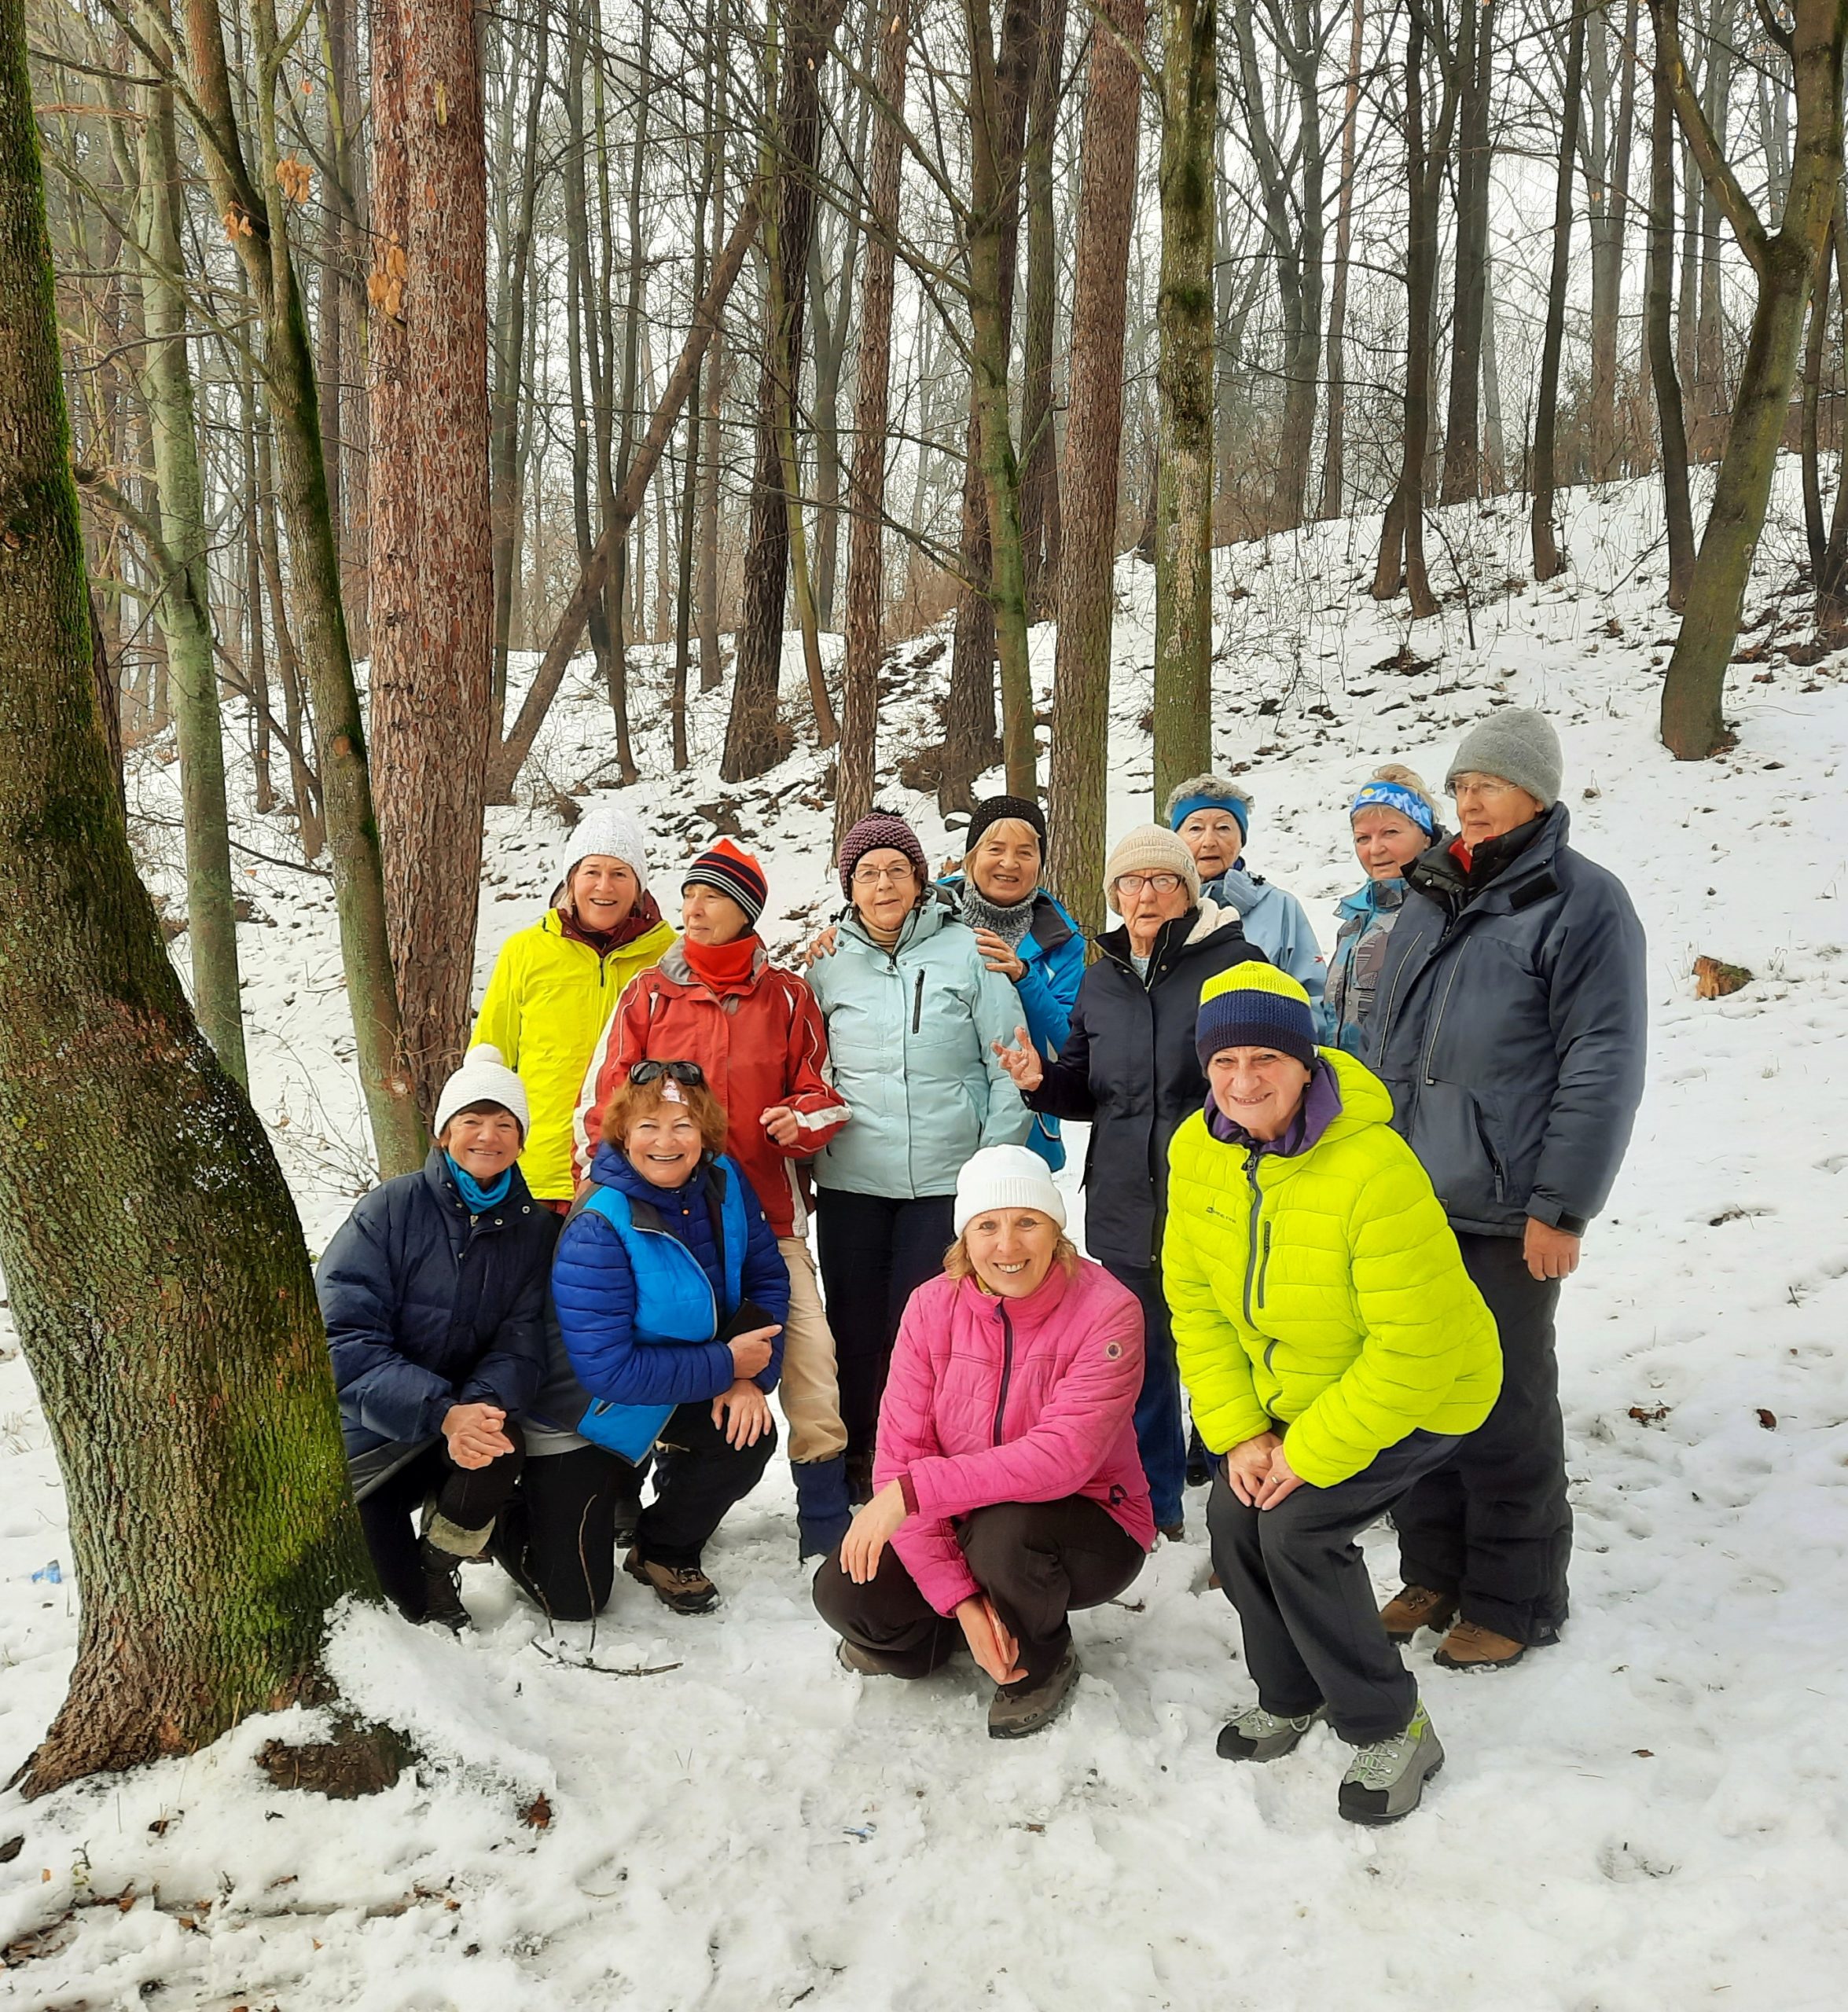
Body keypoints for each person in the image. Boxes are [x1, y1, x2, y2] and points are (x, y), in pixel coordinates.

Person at [1165, 963, 1501, 1823]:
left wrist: (1307, 1452)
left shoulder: (1373, 1168)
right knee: (1233, 1515)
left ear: (1304, 1061)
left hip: (1424, 1388)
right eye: (1224, 1061)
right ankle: (1290, 1691)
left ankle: (1390, 1724)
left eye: (1265, 1059)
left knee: (1298, 1526)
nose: (1244, 1081)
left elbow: (1413, 1350)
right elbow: (1195, 1305)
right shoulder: (1197, 1152)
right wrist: (1240, 1432)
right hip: (1294, 1391)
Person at [1369, 709, 1647, 1669]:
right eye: (1460, 785)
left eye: (1489, 783)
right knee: (1413, 1393)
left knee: (1502, 1407)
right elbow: (1385, 1049)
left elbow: (1601, 1060)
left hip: (1504, 1208)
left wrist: (1560, 1205)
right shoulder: (1428, 893)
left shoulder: (1581, 902)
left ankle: (1514, 1599)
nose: (1470, 800)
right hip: (1407, 1199)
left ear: (1537, 793)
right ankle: (1432, 1570)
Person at [572, 840, 856, 1559]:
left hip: (766, 1223)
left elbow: (823, 1094)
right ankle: (632, 1499)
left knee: (810, 1359)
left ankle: (824, 1518)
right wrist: (605, 1201)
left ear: (746, 911)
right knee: (657, 1354)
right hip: (658, 1229)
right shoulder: (648, 993)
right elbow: (599, 1109)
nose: (693, 909)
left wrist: (799, 1121)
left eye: (713, 896)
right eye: (689, 894)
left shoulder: (787, 996)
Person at [814, 1146, 1152, 1738]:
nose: (1007, 1245)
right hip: (957, 1514)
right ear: (964, 1238)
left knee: (1006, 1533)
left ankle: (1040, 1659)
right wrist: (961, 1601)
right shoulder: (931, 1307)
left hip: (1086, 1522)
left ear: (1056, 1229)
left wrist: (913, 1493)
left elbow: (1063, 1458)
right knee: (847, 1595)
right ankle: (947, 1635)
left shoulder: (1108, 1311)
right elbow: (901, 1454)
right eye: (987, 1226)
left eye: (1027, 1222)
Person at [994, 824, 1265, 1538]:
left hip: (1214, 1199)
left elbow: (1268, 1085)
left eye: (1162, 880)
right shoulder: (1102, 976)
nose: (1145, 895)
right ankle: (1156, 1508)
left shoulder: (1235, 966)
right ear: (1113, 894)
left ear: (1188, 890)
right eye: (1129, 883)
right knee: (1138, 1359)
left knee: (1231, 1356)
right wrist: (1038, 1082)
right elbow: (1088, 1090)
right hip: (1121, 1201)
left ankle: (1247, 1513)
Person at [806, 810, 1031, 1501]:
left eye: (896, 871)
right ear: (849, 887)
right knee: (853, 1324)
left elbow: (1010, 1065)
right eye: (867, 874)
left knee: (927, 1324)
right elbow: (806, 1067)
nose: (883, 885)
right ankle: (857, 1453)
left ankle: (915, 1456)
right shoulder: (826, 964)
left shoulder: (969, 951)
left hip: (945, 1178)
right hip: (852, 1178)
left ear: (920, 881)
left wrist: (990, 1167)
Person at [317, 1046, 553, 1630]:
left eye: (505, 1124)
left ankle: (441, 1560)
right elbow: (342, 1337)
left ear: (521, 1141)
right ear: (445, 1133)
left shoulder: (534, 1229)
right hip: (373, 1430)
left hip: (460, 1426)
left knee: (500, 1447)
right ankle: (415, 1571)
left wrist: (477, 1411)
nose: (488, 1136)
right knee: (408, 1608)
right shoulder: (390, 1209)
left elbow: (523, 1341)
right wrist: (441, 1412)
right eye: (472, 1121)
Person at [549, 1063, 788, 1614]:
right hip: (594, 1408)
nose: (666, 1142)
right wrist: (726, 1365)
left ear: (704, 1133)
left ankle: (664, 1548)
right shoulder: (600, 1220)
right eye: (648, 1126)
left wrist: (748, 1377)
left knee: (745, 1434)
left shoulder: (724, 1181)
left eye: (682, 1125)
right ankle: (532, 1509)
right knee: (575, 1597)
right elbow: (606, 1370)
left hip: (691, 1375)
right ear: (622, 1135)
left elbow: (767, 1279)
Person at [472, 802, 676, 1211]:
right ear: (571, 880)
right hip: (536, 1173)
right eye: (592, 872)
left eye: (620, 873)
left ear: (638, 885)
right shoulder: (525, 951)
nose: (604, 887)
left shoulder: (669, 958)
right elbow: (490, 1060)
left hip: (634, 1173)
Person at [937, 794, 1086, 1171]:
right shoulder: (928, 916)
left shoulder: (1062, 942)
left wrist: (1024, 977)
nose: (1009, 863)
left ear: (1040, 863)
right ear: (972, 856)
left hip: (1026, 1132)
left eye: (1025, 852)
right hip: (935, 1129)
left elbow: (1069, 1043)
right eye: (996, 849)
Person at [1317, 766, 1443, 1056]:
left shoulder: (1442, 911)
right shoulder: (1356, 916)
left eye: (1391, 833)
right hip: (1350, 1077)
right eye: (1363, 838)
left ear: (1425, 836)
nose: (1375, 849)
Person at [1164, 775, 1324, 999]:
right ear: (1177, 840)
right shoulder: (1157, 905)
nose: (1209, 841)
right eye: (1196, 828)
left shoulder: (1280, 907)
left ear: (1242, 839)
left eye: (1223, 828)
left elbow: (1313, 997)